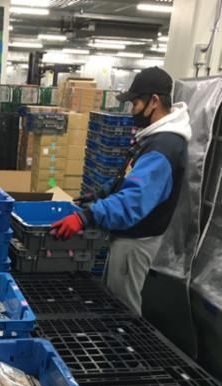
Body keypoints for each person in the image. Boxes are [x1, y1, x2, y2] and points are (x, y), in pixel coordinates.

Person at [51, 67, 192, 315]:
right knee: (115, 299)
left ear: (154, 101)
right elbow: (130, 178)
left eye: (135, 103)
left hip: (136, 241)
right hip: (130, 236)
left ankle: (127, 339)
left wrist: (86, 216)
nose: (132, 110)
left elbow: (134, 200)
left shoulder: (164, 146)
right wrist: (100, 195)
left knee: (124, 307)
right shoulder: (155, 139)